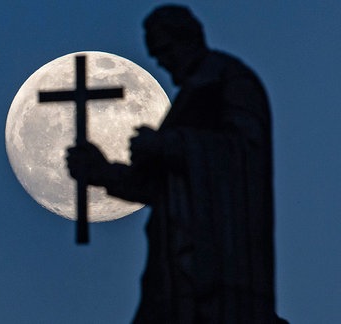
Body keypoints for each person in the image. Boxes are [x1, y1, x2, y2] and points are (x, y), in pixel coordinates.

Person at [67, 5, 287, 323]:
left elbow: (245, 151)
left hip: (218, 254)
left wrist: (168, 144)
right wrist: (103, 172)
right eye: (155, 53)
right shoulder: (193, 93)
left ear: (187, 38)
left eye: (164, 49)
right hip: (173, 256)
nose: (160, 60)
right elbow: (156, 185)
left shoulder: (227, 79)